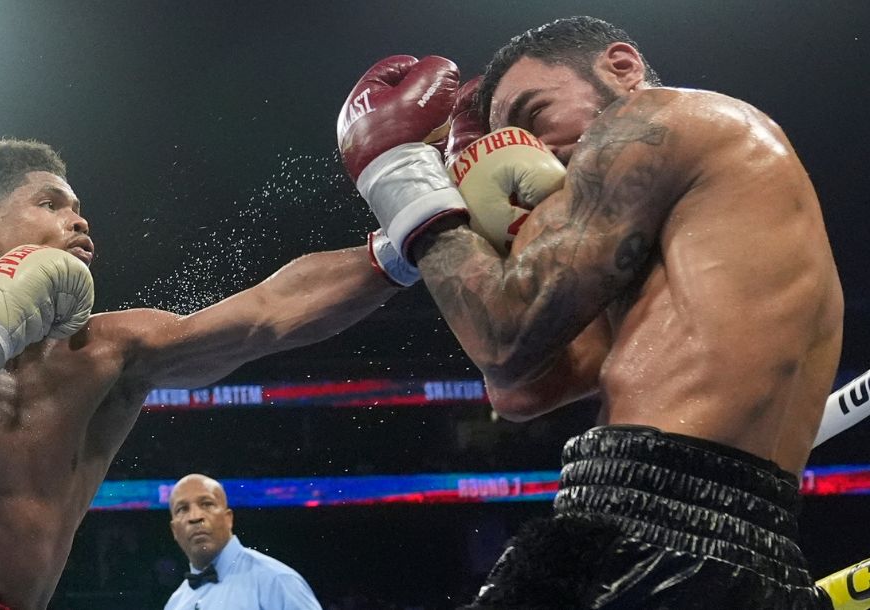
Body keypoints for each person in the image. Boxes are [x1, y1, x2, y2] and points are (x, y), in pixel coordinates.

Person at [336, 16, 842, 609]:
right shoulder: (682, 250)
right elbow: (519, 388)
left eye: (535, 115)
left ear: (621, 68)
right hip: (752, 552)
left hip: (644, 538)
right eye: (512, 143)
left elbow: (504, 336)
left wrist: (401, 175)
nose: (534, 153)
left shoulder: (657, 117)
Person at [0, 139, 399, 610]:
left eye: (76, 208)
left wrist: (401, 246)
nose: (77, 219)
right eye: (50, 203)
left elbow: (266, 313)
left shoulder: (108, 350)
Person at [164, 474, 321, 610]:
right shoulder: (175, 604)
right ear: (174, 530)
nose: (195, 517)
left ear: (228, 519)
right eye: (182, 509)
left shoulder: (277, 581)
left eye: (207, 504)